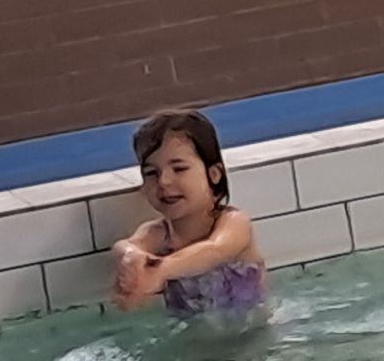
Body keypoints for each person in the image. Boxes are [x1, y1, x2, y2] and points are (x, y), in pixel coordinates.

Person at [110, 109, 267, 316]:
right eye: (151, 173)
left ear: (214, 174)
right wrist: (133, 262)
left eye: (179, 169)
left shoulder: (233, 222)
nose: (164, 181)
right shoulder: (159, 234)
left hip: (253, 332)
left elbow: (216, 250)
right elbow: (124, 246)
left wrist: (161, 269)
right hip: (192, 333)